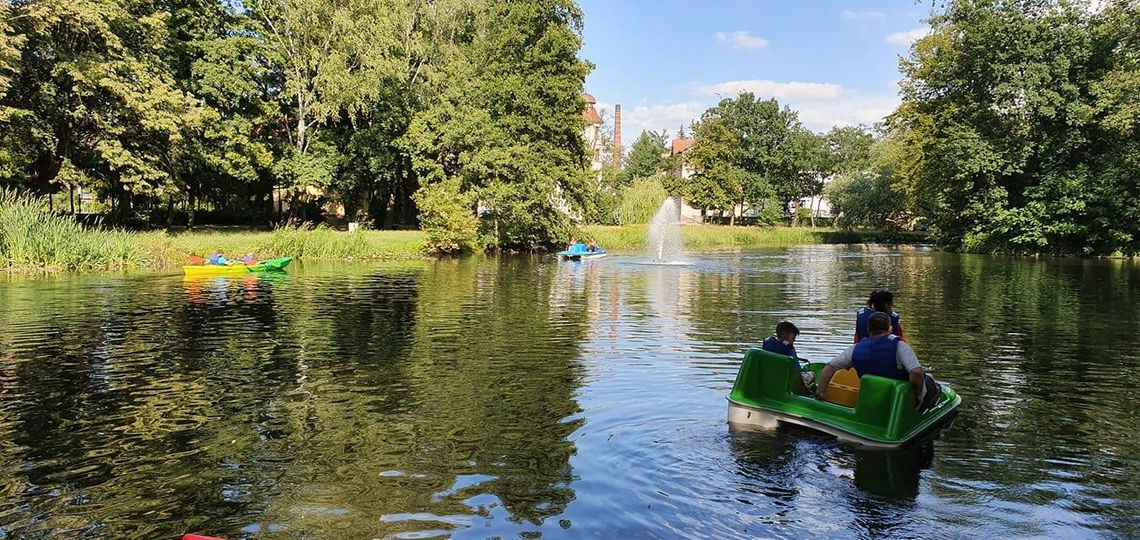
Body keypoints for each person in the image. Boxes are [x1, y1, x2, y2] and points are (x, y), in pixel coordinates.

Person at [818, 312, 940, 412]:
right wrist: (918, 394)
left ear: (868, 329)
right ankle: (921, 412)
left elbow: (830, 367)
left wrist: (821, 392)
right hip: (899, 399)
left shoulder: (855, 349)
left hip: (872, 397)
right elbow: (916, 372)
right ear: (890, 328)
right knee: (930, 382)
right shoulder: (900, 346)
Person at [761, 321, 814, 387]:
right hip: (788, 379)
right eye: (793, 338)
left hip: (769, 376)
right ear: (784, 334)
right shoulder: (789, 349)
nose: (794, 341)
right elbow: (797, 369)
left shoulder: (768, 346)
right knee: (812, 374)